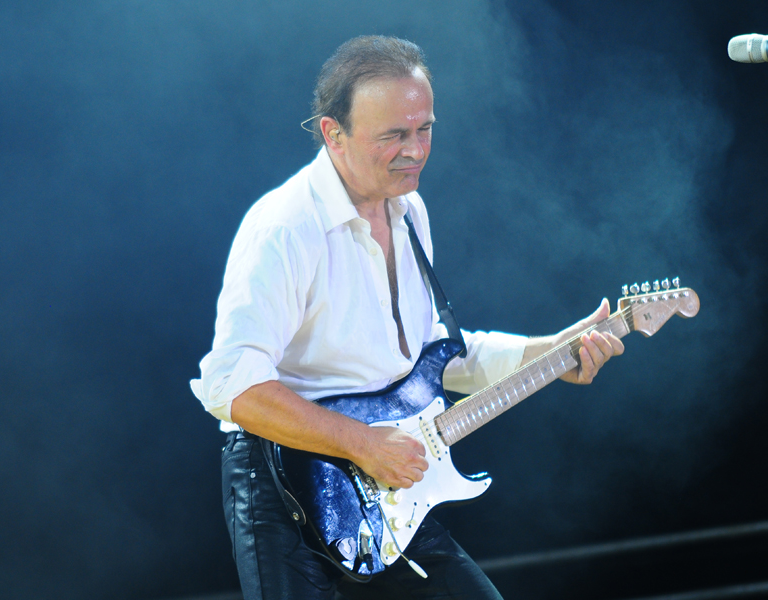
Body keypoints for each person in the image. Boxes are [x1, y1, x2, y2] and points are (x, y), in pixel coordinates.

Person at [190, 35, 624, 600]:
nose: (415, 150)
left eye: (425, 130)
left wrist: (556, 352)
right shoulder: (285, 228)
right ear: (333, 133)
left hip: (384, 485)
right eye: (393, 135)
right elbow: (232, 385)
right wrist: (362, 444)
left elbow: (435, 357)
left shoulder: (410, 211)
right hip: (284, 483)